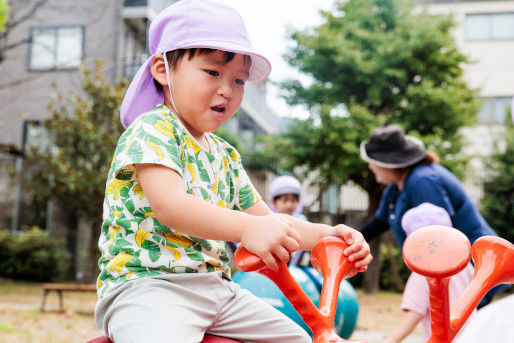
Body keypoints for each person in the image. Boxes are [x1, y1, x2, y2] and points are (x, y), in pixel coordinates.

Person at [94, 1, 372, 342]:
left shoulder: (224, 154)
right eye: (212, 73)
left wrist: (329, 235)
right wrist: (249, 228)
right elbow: (171, 206)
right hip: (148, 286)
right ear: (163, 70)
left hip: (218, 289)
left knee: (300, 338)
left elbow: (269, 220)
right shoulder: (152, 130)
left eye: (239, 80)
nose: (227, 89)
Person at [358, 124, 501, 307]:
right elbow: (379, 222)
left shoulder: (422, 181)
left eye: (373, 161)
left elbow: (439, 237)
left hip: (470, 270)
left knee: (461, 330)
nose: (370, 166)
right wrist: (348, 240)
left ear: (389, 164)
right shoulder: (395, 188)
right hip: (452, 272)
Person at [383, 203, 475, 343]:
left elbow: (414, 314)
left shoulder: (423, 273)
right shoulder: (465, 265)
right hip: (473, 336)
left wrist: (391, 340)